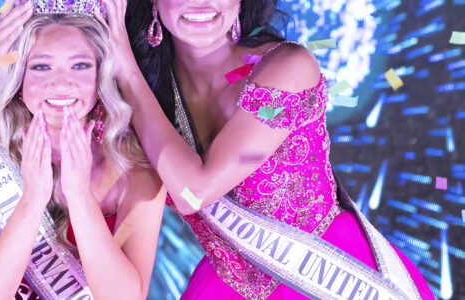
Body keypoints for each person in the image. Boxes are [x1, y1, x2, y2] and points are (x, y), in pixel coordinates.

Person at [99, 0, 435, 299]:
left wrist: (126, 70)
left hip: (328, 275)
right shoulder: (148, 91)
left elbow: (193, 192)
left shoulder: (288, 65)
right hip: (223, 285)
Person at [0, 3, 165, 299]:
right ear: (19, 80)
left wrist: (79, 197)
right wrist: (31, 201)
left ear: (101, 77)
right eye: (40, 66)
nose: (61, 82)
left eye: (80, 65)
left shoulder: (137, 173)